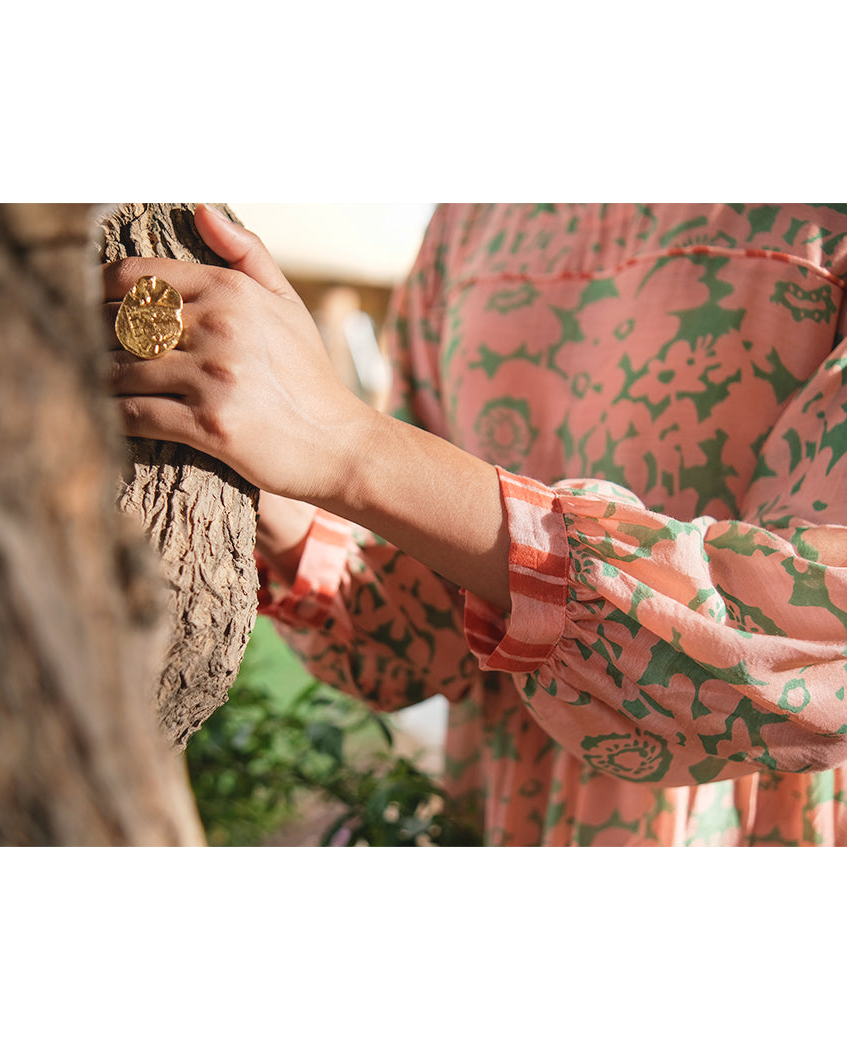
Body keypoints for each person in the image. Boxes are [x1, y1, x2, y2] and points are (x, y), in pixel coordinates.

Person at [105, 203, 847, 846]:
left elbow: (816, 639)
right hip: (497, 817)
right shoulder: (472, 221)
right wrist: (242, 464)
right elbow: (428, 624)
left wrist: (347, 445)